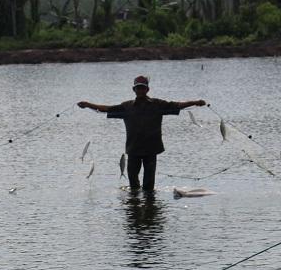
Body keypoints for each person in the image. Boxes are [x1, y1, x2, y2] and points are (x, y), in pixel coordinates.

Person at [77, 75, 206, 193]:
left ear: (147, 89)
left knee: (149, 187)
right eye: (138, 88)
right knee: (133, 184)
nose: (140, 90)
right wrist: (88, 105)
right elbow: (107, 109)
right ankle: (135, 205)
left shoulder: (158, 104)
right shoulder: (126, 107)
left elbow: (177, 105)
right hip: (133, 150)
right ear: (134, 90)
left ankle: (148, 206)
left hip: (151, 150)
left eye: (142, 88)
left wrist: (195, 102)